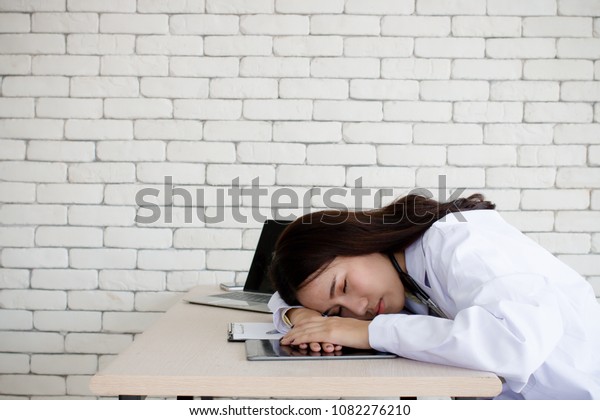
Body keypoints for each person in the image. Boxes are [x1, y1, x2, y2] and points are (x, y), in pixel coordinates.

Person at [267, 193, 600, 400]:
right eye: (338, 310)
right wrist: (303, 316)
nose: (358, 309)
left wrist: (369, 332)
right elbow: (278, 299)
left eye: (343, 287)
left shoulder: (461, 244)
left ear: (356, 240)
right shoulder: (399, 272)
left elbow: (515, 343)